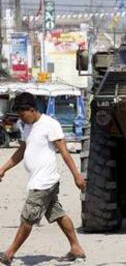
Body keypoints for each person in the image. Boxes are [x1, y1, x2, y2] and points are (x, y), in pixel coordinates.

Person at [0, 92, 86, 266]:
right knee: (58, 214)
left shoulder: (50, 124)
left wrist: (77, 176)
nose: (21, 118)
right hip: (40, 181)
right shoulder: (27, 126)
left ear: (32, 109)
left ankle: (9, 253)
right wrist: (3, 169)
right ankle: (76, 247)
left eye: (23, 114)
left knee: (28, 218)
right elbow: (21, 152)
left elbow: (64, 152)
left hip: (44, 182)